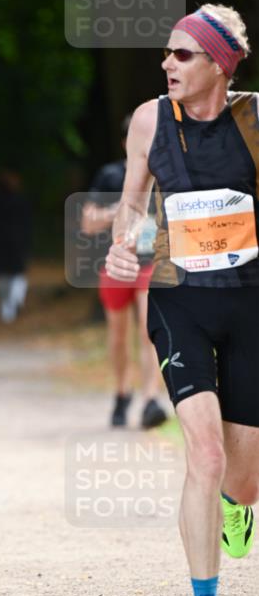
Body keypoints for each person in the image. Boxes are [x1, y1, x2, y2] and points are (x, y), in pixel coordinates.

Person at [106, 4, 258, 596]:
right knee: (204, 451)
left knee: (242, 477)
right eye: (166, 53)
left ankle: (237, 503)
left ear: (219, 64)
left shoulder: (254, 119)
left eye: (182, 54)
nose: (167, 63)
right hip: (179, 301)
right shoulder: (149, 120)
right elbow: (132, 204)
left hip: (250, 304)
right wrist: (122, 245)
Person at [82, 119, 167, 428]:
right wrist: (120, 209)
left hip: (151, 263)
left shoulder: (166, 174)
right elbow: (88, 223)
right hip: (116, 264)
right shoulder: (110, 175)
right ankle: (122, 393)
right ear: (125, 143)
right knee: (118, 337)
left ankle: (150, 399)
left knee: (148, 331)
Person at [0, 170, 31, 322]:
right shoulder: (16, 202)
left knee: (9, 276)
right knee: (11, 276)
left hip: (6, 245)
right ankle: (11, 305)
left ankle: (10, 306)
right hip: (10, 245)